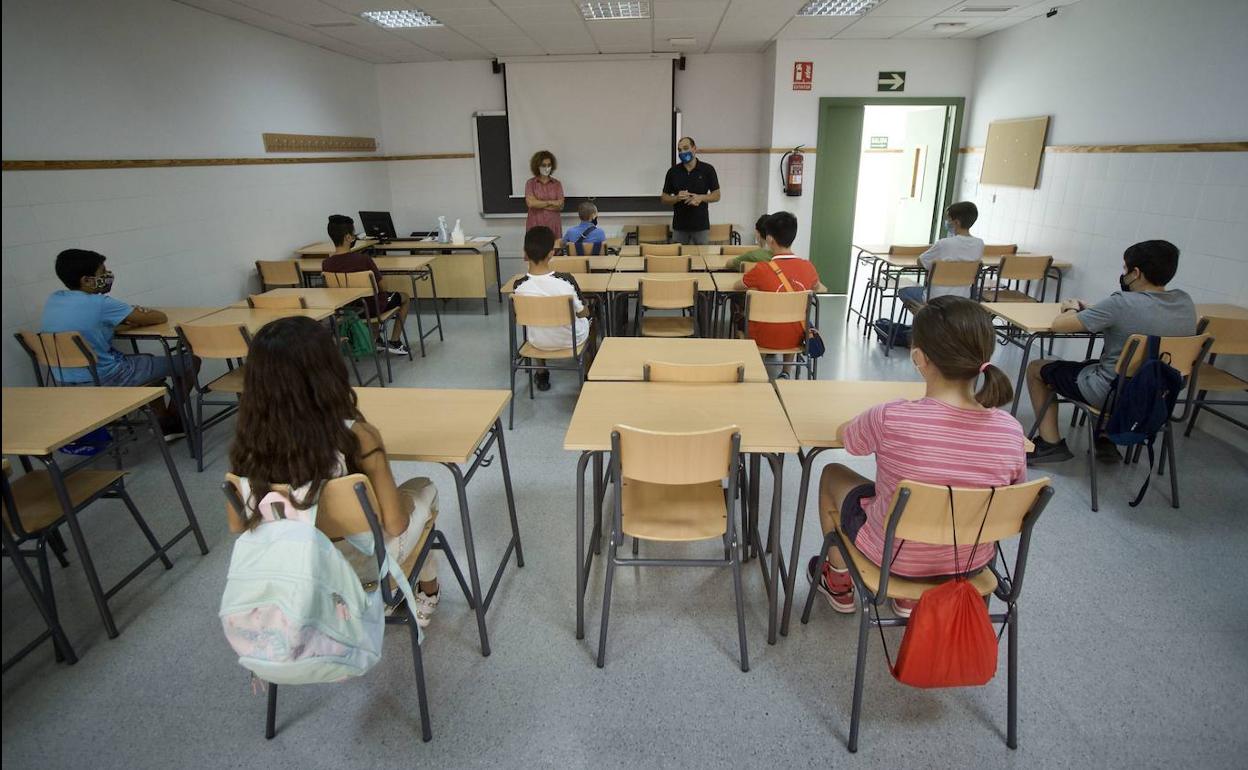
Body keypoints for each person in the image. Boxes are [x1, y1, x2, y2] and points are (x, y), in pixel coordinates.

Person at [808, 296, 1026, 617]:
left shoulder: (890, 417)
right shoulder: (1011, 431)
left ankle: (838, 581)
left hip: (895, 559)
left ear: (918, 357)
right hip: (969, 562)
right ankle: (908, 600)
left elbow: (848, 439)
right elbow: (1014, 498)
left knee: (832, 474)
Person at [228, 316, 441, 626]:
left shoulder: (247, 447)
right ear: (327, 370)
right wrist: (407, 502)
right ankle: (427, 592)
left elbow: (238, 524)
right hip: (362, 569)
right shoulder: (357, 436)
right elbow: (395, 525)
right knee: (425, 488)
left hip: (294, 571)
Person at [1025, 239, 1197, 465]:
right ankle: (1105, 438)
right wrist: (1098, 311)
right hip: (1157, 394)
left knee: (1037, 368)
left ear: (1136, 273)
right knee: (1119, 366)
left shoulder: (1121, 303)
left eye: (1125, 268)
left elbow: (1059, 325)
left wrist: (1070, 309)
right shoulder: (1184, 302)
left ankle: (1050, 444)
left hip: (1112, 395)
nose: (1123, 273)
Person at [39, 248, 192, 440]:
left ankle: (163, 421)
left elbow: (87, 327)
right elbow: (159, 317)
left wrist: (119, 323)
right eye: (102, 274)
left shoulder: (55, 300)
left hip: (66, 380)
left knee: (147, 363)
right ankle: (173, 419)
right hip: (108, 377)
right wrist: (137, 315)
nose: (108, 276)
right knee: (190, 361)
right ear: (86, 280)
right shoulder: (100, 303)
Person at [513, 226, 595, 392]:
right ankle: (588, 374)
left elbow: (519, 317)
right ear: (551, 253)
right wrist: (588, 311)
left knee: (537, 323)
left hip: (537, 343)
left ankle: (542, 373)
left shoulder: (519, 287)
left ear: (525, 253)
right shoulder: (566, 281)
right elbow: (582, 313)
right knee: (593, 322)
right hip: (571, 342)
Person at [739, 211, 819, 370]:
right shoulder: (808, 267)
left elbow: (738, 285)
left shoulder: (761, 269)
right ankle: (786, 372)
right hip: (796, 339)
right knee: (791, 316)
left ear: (769, 239)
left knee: (744, 318)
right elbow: (816, 286)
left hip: (762, 338)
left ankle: (757, 369)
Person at [322, 214, 410, 356]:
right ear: (348, 237)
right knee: (404, 297)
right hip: (371, 308)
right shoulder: (363, 260)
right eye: (354, 233)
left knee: (374, 299)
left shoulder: (326, 263)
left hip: (348, 309)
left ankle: (376, 339)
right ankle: (394, 341)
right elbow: (383, 287)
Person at [897, 201, 985, 305]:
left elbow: (920, 261)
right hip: (963, 299)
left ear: (957, 222)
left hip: (935, 297)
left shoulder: (944, 244)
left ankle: (930, 317)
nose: (947, 222)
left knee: (904, 292)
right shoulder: (979, 244)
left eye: (948, 219)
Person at [660, 136, 721, 245]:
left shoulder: (708, 170)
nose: (682, 152)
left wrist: (701, 197)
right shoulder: (673, 172)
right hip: (679, 228)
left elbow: (717, 195)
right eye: (680, 150)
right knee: (679, 260)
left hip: (701, 227)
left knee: (701, 259)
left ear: (694, 148)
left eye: (685, 148)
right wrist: (676, 198)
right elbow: (664, 198)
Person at [524, 150, 565, 235]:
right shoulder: (530, 183)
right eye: (543, 165)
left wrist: (539, 204)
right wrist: (551, 202)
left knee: (554, 247)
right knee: (535, 247)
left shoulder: (557, 184)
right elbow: (531, 203)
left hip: (553, 225)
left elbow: (560, 205)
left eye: (549, 165)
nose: (547, 168)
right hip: (535, 224)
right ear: (537, 166)